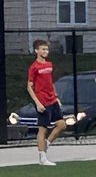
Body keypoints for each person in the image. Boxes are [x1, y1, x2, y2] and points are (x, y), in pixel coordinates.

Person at [27, 38, 68, 166]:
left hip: (52, 99)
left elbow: (50, 82)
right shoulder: (34, 67)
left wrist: (56, 97)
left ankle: (47, 144)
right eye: (43, 49)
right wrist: (38, 103)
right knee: (42, 129)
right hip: (42, 101)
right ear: (36, 51)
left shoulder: (49, 64)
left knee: (62, 125)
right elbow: (29, 86)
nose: (46, 51)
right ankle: (43, 158)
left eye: (47, 49)